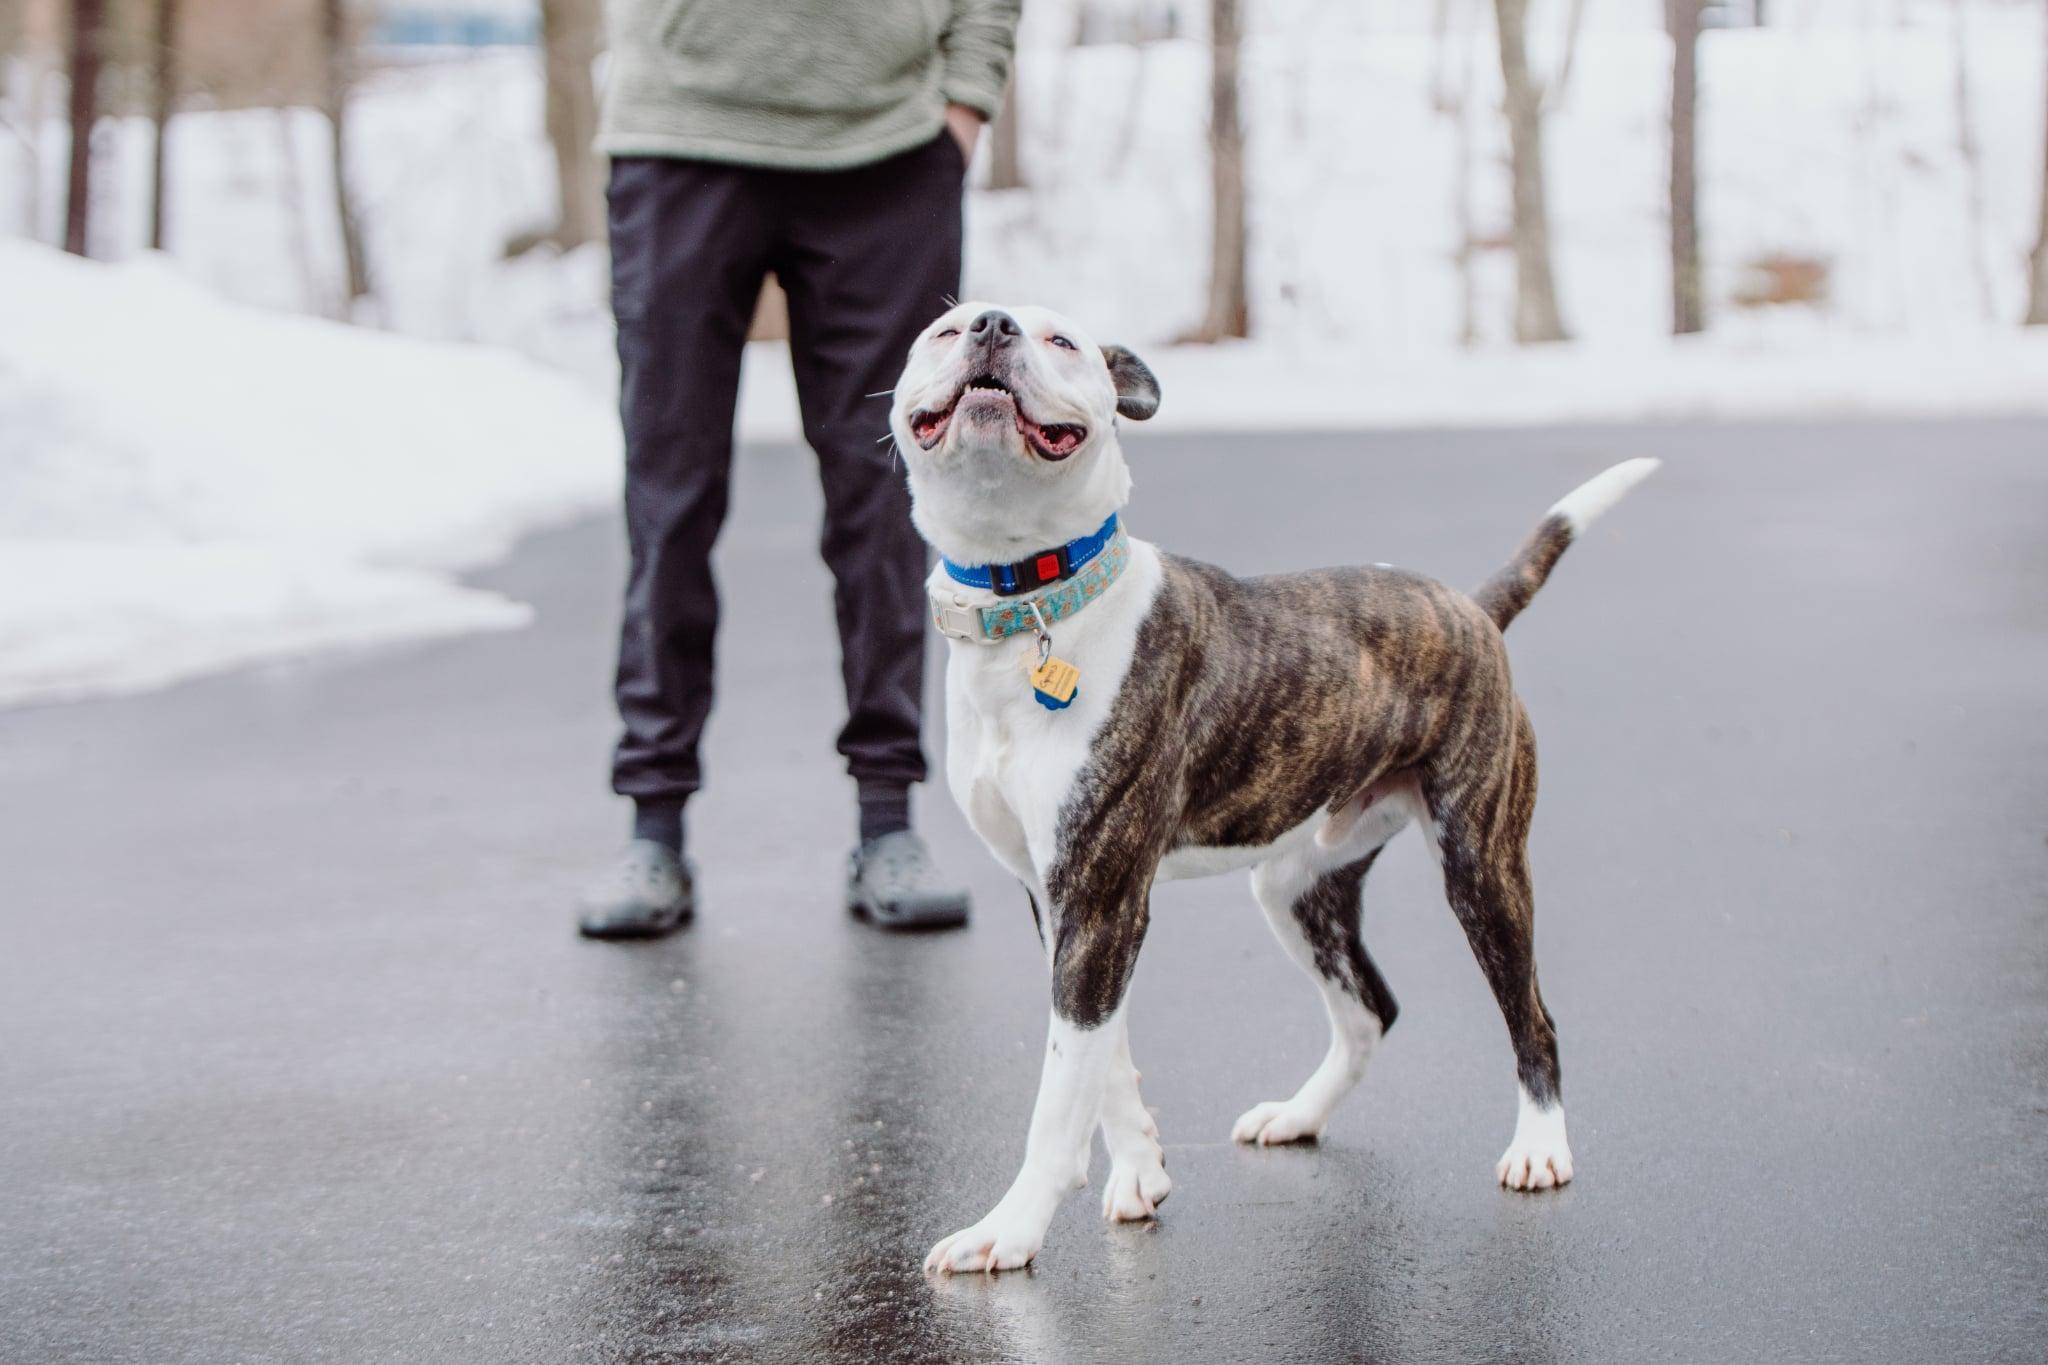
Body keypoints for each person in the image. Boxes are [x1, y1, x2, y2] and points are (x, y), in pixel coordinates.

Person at [575, 0, 1022, 939]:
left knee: (887, 495)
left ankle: (888, 816)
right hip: (678, 133)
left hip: (890, 147)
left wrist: (966, 102)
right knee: (672, 497)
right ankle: (654, 823)